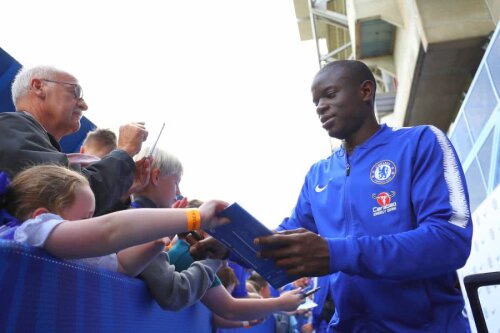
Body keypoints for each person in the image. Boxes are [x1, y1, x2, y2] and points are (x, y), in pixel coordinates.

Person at [192, 60, 473, 332]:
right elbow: (283, 244)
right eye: (316, 102)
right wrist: (231, 247)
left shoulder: (420, 143)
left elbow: (449, 240)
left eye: (330, 94)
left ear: (365, 91)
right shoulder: (319, 175)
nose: (321, 107)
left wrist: (336, 253)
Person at [1, 164, 228, 278]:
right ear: (42, 216)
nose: (92, 222)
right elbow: (108, 231)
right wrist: (196, 216)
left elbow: (123, 265)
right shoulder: (31, 231)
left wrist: (160, 236)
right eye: (85, 219)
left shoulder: (69, 247)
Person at [0, 65, 149, 216]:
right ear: (39, 87)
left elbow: (75, 217)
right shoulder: (7, 126)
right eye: (75, 92)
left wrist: (122, 191)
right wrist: (124, 152)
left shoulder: (22, 136)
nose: (84, 106)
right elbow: (70, 194)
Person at [130, 147, 224, 311]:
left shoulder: (132, 215)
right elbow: (174, 293)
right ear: (156, 176)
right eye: (176, 182)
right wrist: (216, 257)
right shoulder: (145, 227)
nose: (179, 192)